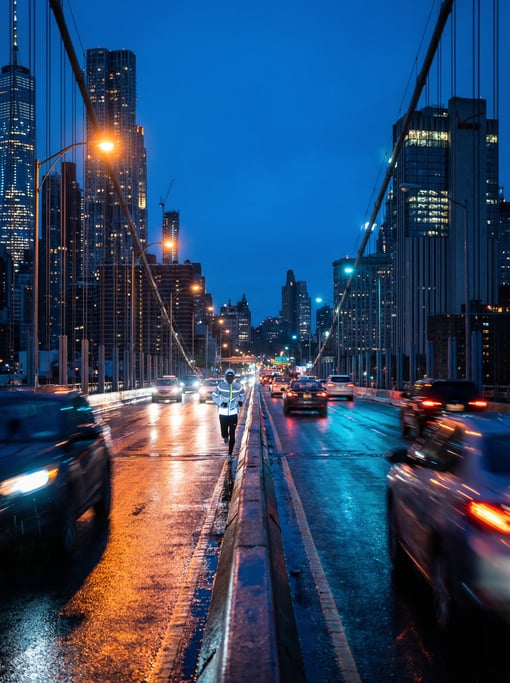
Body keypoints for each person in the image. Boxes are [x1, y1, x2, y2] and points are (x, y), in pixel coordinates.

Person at [212, 368, 245, 456]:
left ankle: (230, 454)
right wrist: (220, 403)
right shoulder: (220, 386)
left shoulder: (238, 386)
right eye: (228, 376)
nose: (230, 378)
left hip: (233, 413)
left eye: (231, 377)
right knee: (224, 433)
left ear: (233, 377)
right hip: (223, 414)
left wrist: (241, 401)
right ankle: (225, 436)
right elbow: (214, 396)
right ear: (226, 377)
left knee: (232, 433)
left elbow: (242, 394)